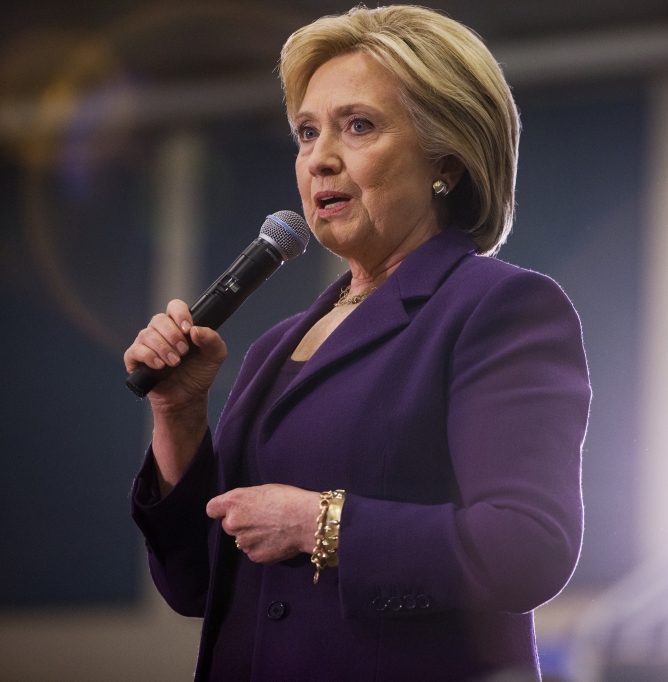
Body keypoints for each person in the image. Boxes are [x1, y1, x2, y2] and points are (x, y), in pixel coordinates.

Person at [124, 6, 590, 681]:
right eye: (307, 133)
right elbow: (196, 584)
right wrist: (178, 414)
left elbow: (528, 548)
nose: (320, 159)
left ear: (448, 161)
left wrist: (324, 526)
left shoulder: (498, 308)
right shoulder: (274, 349)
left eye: (359, 126)